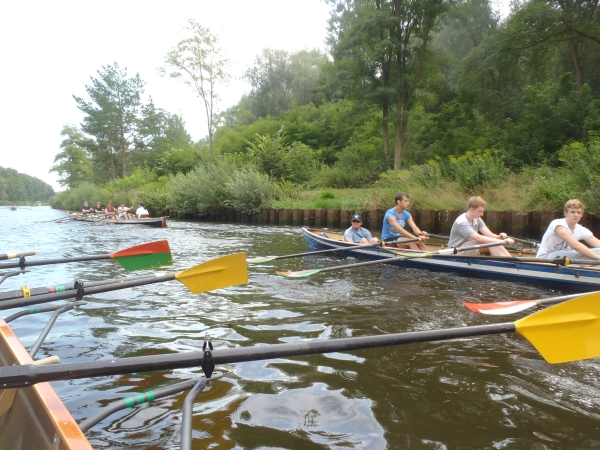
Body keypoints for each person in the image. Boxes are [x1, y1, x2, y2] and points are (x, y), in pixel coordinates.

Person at [448, 196, 514, 256]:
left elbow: (490, 235)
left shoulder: (477, 219)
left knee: (493, 242)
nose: (482, 214)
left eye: (482, 211)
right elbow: (478, 238)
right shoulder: (462, 222)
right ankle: (507, 265)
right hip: (456, 251)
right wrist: (502, 242)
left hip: (470, 246)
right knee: (492, 243)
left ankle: (511, 261)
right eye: (480, 211)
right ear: (471, 209)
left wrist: (500, 236)